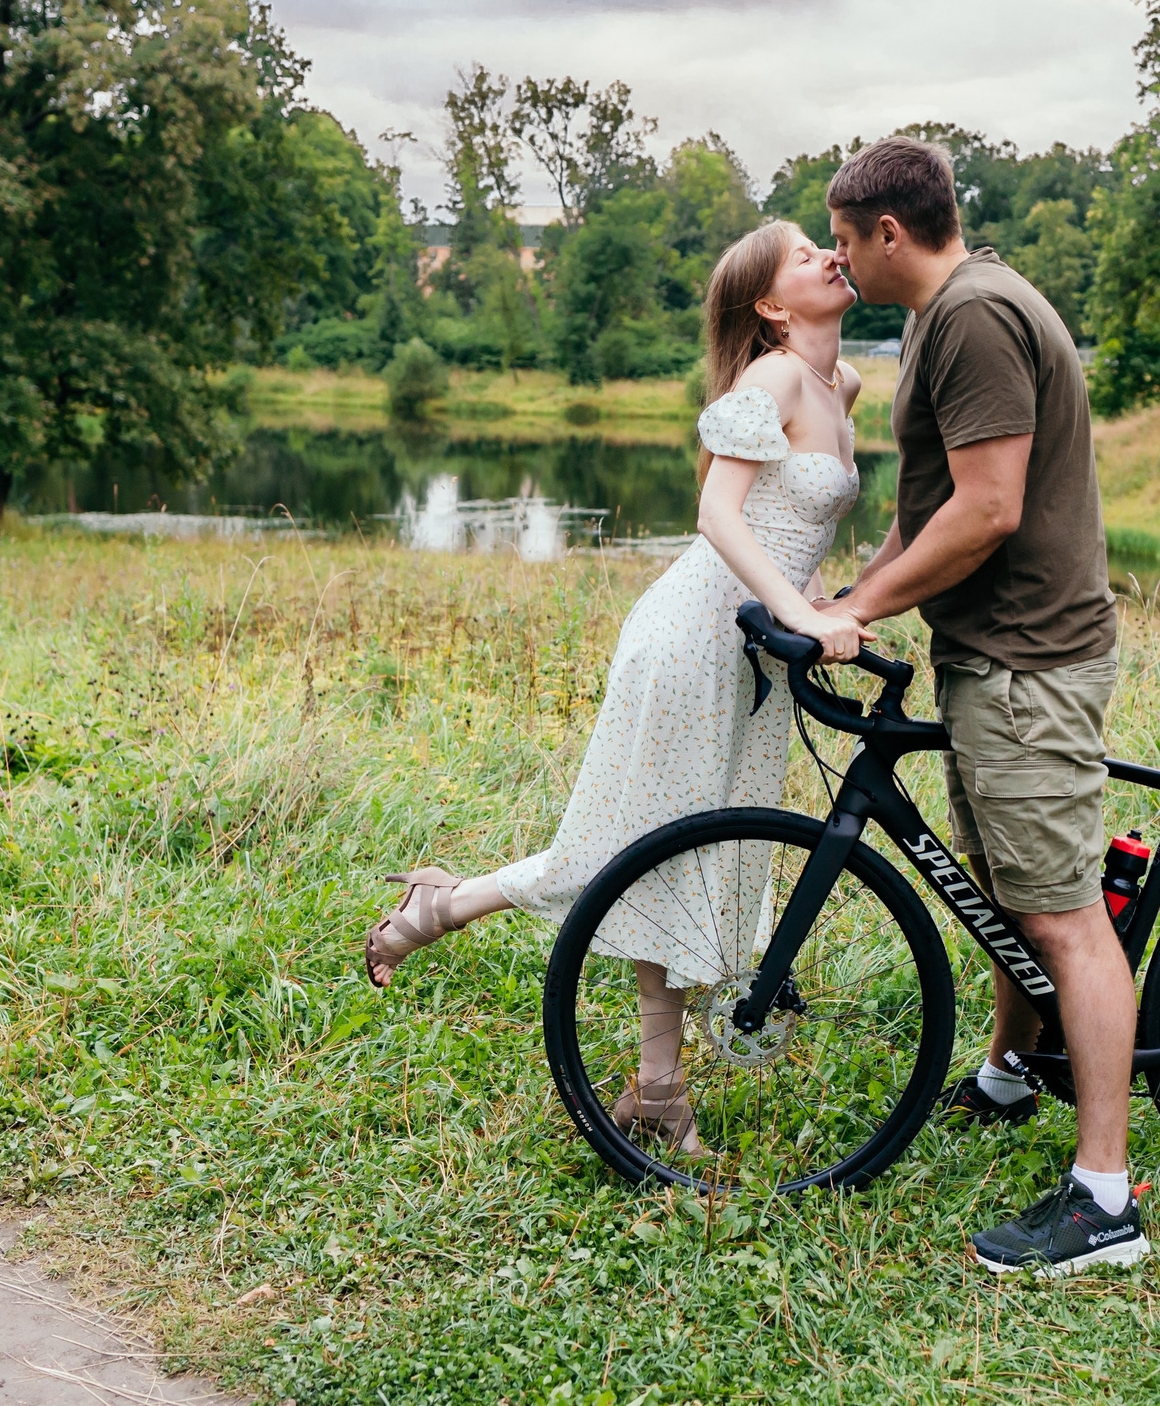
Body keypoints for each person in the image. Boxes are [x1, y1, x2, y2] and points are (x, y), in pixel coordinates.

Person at [361, 219, 874, 1154]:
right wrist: (800, 614)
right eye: (806, 254)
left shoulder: (844, 384)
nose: (830, 257)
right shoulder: (775, 378)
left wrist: (824, 601)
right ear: (769, 304)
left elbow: (792, 523)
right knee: (633, 853)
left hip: (756, 648)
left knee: (686, 858)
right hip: (693, 637)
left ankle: (656, 1088)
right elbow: (718, 512)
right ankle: (443, 910)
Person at [814, 136, 1144, 1277]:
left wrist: (863, 606)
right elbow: (932, 507)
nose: (838, 260)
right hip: (990, 656)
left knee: (1060, 915)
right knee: (1008, 883)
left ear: (888, 232)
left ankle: (1105, 1203)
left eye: (845, 239)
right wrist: (851, 600)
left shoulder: (973, 317)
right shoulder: (941, 314)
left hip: (1028, 664)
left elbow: (991, 509)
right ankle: (1011, 1073)